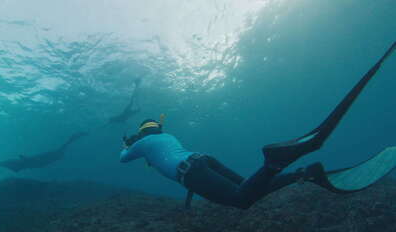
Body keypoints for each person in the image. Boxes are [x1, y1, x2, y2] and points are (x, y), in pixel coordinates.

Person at [119, 42, 396, 209]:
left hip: (190, 171)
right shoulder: (166, 138)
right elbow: (160, 150)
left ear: (143, 132)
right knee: (255, 189)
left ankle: (275, 160)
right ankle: (304, 174)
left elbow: (123, 159)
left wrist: (128, 144)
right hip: (203, 160)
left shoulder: (143, 144)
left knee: (241, 201)